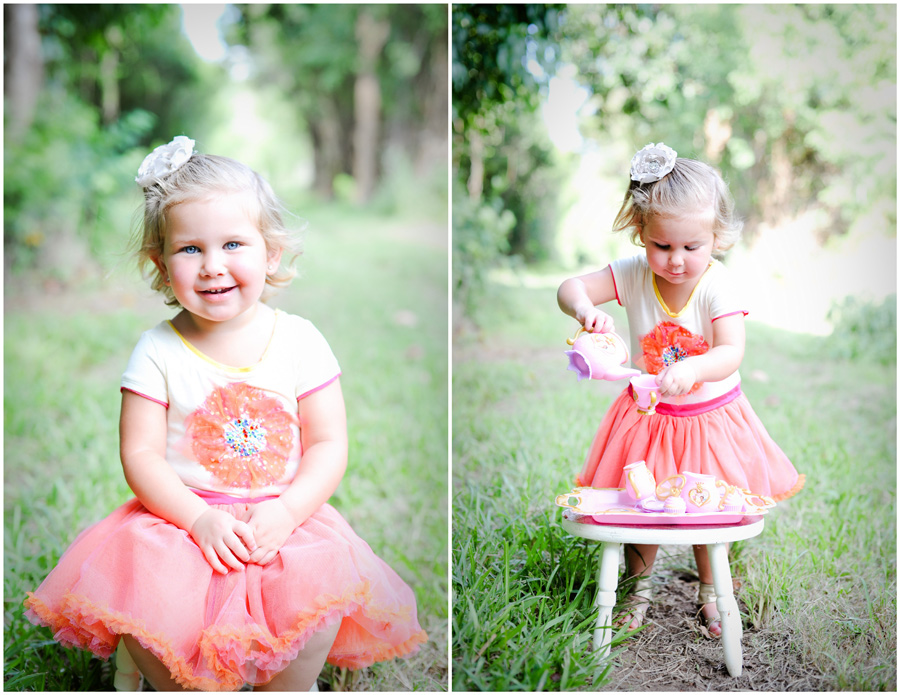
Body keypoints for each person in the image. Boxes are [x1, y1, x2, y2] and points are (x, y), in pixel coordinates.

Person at [25, 136, 427, 691]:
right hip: (183, 518)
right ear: (160, 265)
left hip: (279, 516)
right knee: (150, 591)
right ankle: (165, 674)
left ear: (272, 252)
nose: (212, 266)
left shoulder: (300, 341)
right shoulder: (157, 351)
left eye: (234, 244)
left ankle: (288, 683)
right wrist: (196, 518)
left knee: (313, 598)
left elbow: (329, 443)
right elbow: (139, 452)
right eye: (189, 249)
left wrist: (287, 513)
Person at [557, 142, 803, 637]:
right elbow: (569, 287)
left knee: (708, 509)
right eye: (662, 246)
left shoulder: (718, 285)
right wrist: (586, 310)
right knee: (636, 501)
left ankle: (711, 591)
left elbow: (731, 350)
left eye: (692, 247)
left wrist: (695, 369)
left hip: (708, 417)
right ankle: (637, 588)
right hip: (648, 417)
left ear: (716, 237)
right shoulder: (631, 275)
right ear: (640, 234)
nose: (675, 261)